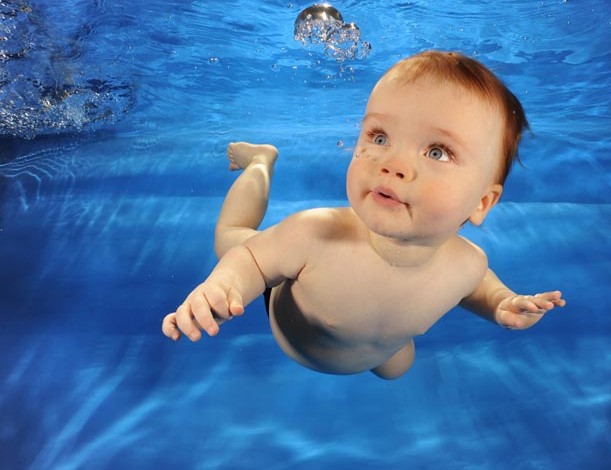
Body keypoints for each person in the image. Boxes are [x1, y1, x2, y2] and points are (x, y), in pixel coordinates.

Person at [161, 50, 566, 380]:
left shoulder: (468, 264)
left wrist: (501, 303)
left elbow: (477, 287)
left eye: (437, 152)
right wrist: (224, 285)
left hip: (379, 353)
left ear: (482, 203)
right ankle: (260, 163)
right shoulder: (313, 235)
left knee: (397, 369)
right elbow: (249, 261)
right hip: (286, 313)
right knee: (232, 238)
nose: (393, 164)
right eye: (380, 137)